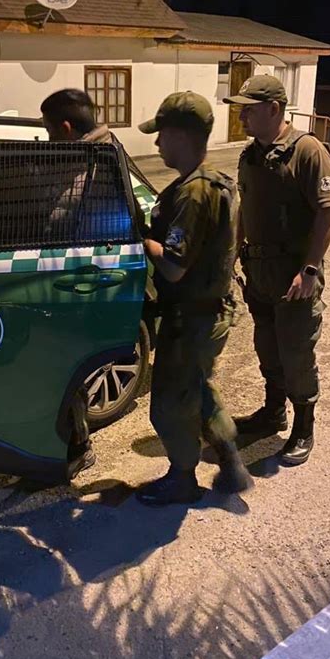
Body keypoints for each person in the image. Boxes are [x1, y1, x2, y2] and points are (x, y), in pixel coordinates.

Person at [136, 90, 252, 506]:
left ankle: (182, 480)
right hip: (212, 310)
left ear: (181, 136)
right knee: (199, 389)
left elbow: (173, 266)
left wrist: (144, 241)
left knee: (170, 403)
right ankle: (231, 461)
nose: (156, 143)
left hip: (192, 317)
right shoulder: (214, 182)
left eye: (161, 134)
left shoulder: (192, 193)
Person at [224, 75, 330, 465]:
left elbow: (328, 210)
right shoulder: (250, 155)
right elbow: (246, 207)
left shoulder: (307, 151)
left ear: (274, 109)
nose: (242, 118)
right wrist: (234, 252)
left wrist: (309, 269)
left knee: (296, 351)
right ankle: (273, 412)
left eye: (249, 110)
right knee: (267, 347)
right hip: (259, 271)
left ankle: (304, 427)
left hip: (294, 275)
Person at [39, 88, 113, 482]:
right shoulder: (84, 158)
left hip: (76, 286)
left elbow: (92, 236)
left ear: (66, 129)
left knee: (65, 373)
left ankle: (77, 447)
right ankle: (68, 443)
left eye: (50, 132)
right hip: (69, 282)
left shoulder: (99, 166)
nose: (49, 141)